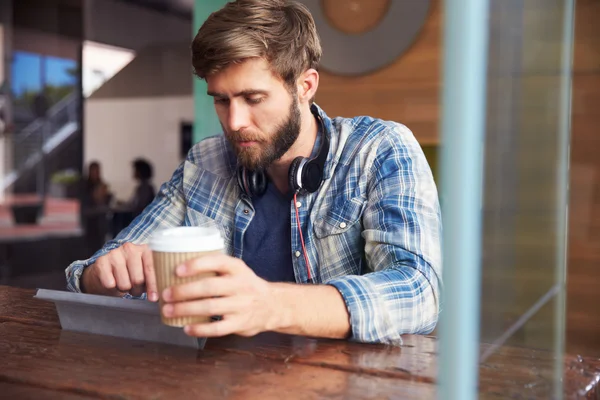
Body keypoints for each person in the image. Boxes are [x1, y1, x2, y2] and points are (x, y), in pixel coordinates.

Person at [65, 0, 442, 345]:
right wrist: (102, 275)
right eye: (221, 100)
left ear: (305, 86)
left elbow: (418, 291)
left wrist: (270, 305)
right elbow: (97, 270)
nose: (235, 122)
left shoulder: (380, 149)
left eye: (253, 98)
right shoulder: (206, 161)